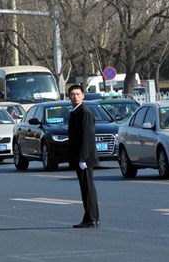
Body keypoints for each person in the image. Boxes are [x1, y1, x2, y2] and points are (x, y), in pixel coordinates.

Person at [68, 84, 100, 228]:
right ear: (69, 97)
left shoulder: (84, 113)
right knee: (86, 188)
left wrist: (82, 158)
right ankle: (91, 218)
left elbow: (87, 137)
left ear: (83, 96)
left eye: (78, 94)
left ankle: (91, 219)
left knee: (88, 188)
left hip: (85, 158)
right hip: (80, 157)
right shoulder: (75, 112)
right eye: (72, 94)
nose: (75, 96)